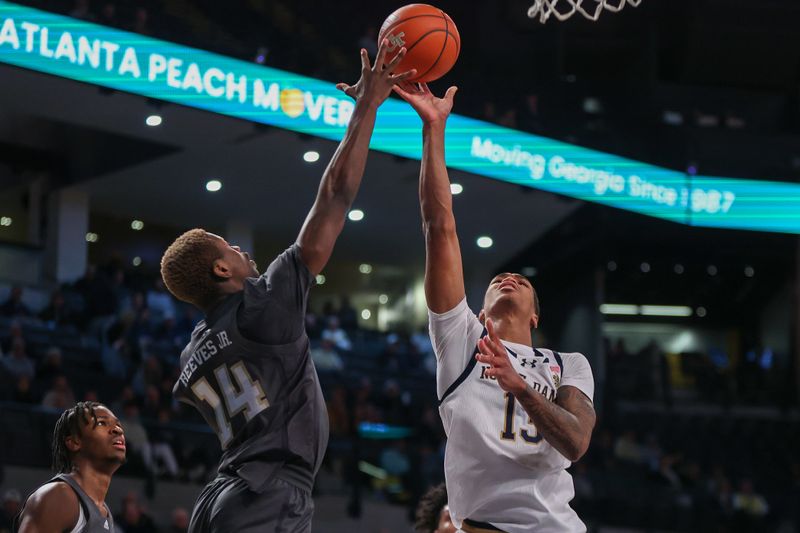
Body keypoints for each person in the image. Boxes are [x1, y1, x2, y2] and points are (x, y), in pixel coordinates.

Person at [159, 41, 415, 532]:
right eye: (228, 248)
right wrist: (367, 108)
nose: (241, 250)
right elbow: (336, 195)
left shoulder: (192, 352)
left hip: (222, 497)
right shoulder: (261, 306)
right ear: (220, 272)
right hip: (269, 489)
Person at [394, 81, 596, 532]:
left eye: (521, 281)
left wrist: (520, 387)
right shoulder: (461, 339)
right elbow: (439, 226)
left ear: (535, 317)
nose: (509, 279)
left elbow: (577, 443)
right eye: (498, 280)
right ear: (480, 313)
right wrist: (433, 129)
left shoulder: (568, 363)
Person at [15, 402, 126, 532]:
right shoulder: (58, 497)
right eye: (102, 423)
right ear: (74, 442)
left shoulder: (104, 511)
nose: (118, 430)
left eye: (118, 425)